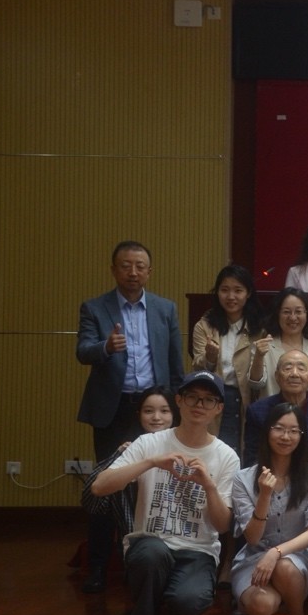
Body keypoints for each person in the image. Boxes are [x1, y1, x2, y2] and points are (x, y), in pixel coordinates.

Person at [90, 371, 239, 615]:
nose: (199, 405)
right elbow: (100, 487)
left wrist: (208, 485)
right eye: (192, 397)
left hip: (198, 551)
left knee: (188, 599)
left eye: (208, 400)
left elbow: (222, 525)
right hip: (150, 542)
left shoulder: (226, 456)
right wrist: (152, 462)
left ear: (219, 408)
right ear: (179, 401)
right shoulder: (149, 443)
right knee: (151, 554)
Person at [77, 240, 185, 594]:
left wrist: (177, 408)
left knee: (156, 483)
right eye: (126, 265)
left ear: (149, 271)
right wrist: (106, 347)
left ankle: (143, 563)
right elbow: (83, 351)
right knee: (107, 487)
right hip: (113, 410)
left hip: (155, 409)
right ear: (114, 270)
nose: (133, 272)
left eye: (140, 266)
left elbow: (175, 363)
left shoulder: (165, 309)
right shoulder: (95, 307)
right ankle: (97, 566)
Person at [231, 403, 308, 615]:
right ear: (267, 431)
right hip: (254, 558)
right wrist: (264, 495)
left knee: (284, 566)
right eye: (279, 428)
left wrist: (275, 552)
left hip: (297, 559)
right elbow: (252, 539)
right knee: (261, 605)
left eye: (294, 431)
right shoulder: (243, 478)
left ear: (302, 436)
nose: (286, 436)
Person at [80, 388, 177, 554]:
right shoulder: (129, 447)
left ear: (175, 414)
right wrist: (119, 455)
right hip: (134, 531)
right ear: (139, 414)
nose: (156, 417)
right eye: (148, 411)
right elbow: (92, 500)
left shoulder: (183, 446)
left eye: (164, 411)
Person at [191, 264, 266, 458]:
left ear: (248, 293)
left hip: (247, 398)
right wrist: (209, 357)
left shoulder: (259, 328)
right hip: (213, 397)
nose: (231, 296)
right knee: (211, 453)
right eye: (224, 290)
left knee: (241, 454)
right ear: (217, 293)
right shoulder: (204, 326)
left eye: (238, 290)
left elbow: (259, 378)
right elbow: (197, 370)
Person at [245, 350, 308, 477]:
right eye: (287, 368)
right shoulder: (258, 411)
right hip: (271, 481)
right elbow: (252, 459)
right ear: (277, 376)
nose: (294, 374)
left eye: (301, 369)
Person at [251, 287, 308, 399]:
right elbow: (255, 385)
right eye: (286, 312)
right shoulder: (262, 347)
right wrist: (259, 356)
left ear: (307, 314)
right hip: (271, 410)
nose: (292, 317)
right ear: (277, 314)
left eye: (298, 312)